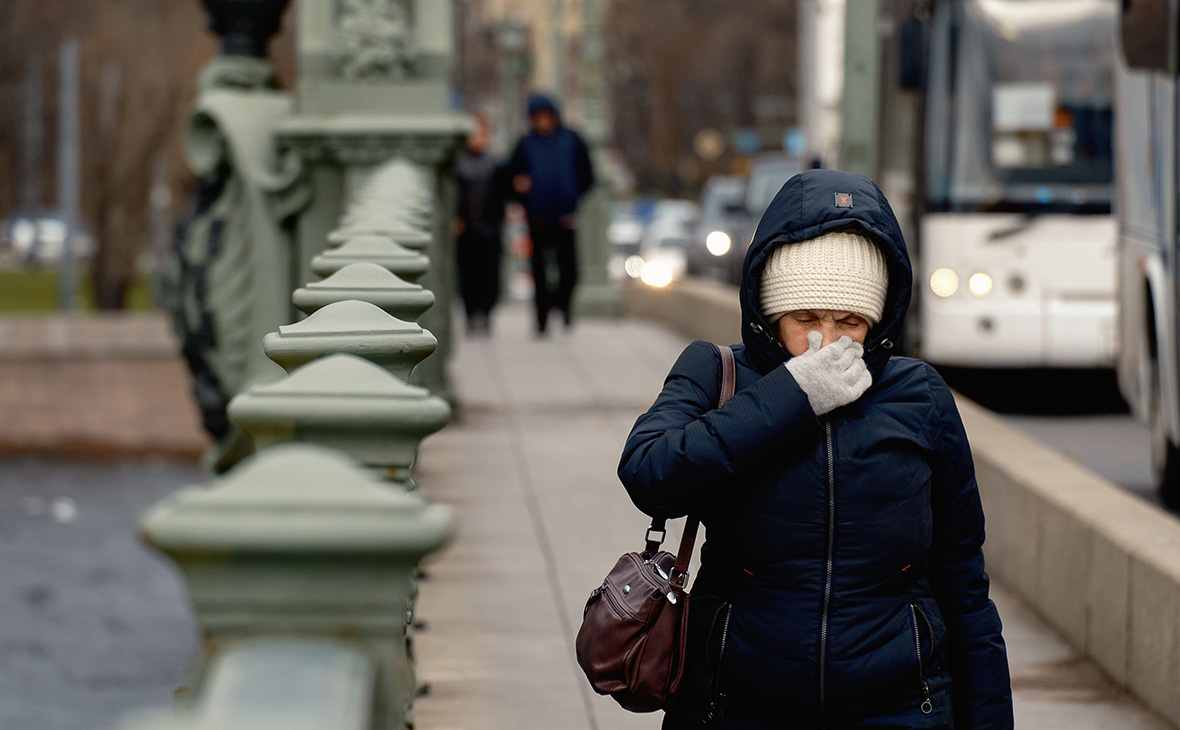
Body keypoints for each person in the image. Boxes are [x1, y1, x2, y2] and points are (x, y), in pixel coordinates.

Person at [618, 169, 1013, 729]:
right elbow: (649, 472)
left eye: (850, 321)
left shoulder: (919, 396)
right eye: (805, 319)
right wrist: (792, 397)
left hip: (902, 708)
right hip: (735, 706)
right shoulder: (715, 373)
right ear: (770, 314)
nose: (827, 341)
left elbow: (965, 589)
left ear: (877, 319)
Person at [507, 93, 594, 336]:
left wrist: (575, 197)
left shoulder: (572, 139)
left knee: (570, 269)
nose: (543, 121)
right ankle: (542, 318)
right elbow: (512, 176)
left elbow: (587, 174)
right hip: (537, 216)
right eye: (538, 117)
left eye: (546, 116)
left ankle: (564, 306)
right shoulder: (525, 144)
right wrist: (520, 190)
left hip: (566, 215)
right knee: (539, 271)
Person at [454, 114, 507, 335]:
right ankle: (471, 313)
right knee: (468, 273)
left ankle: (484, 313)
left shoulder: (495, 165)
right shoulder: (459, 164)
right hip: (466, 228)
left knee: (489, 273)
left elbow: (502, 195)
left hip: (490, 227)